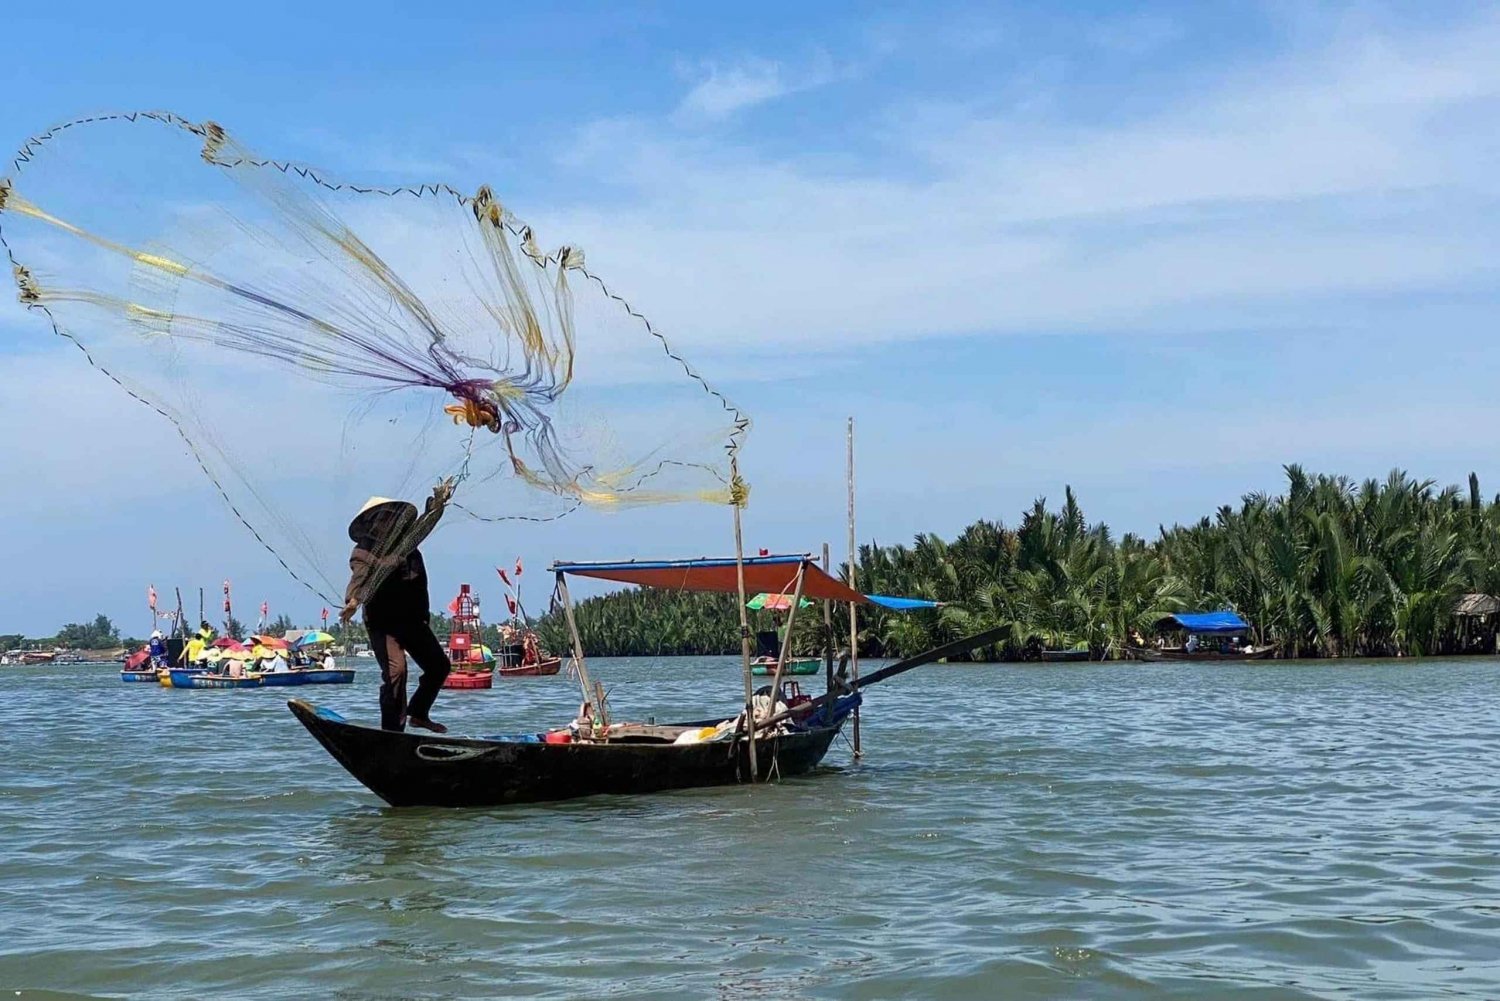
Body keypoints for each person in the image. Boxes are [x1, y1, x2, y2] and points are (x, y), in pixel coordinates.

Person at [342, 479, 453, 733]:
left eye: (390, 517)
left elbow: (427, 523)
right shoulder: (363, 552)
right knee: (397, 672)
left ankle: (419, 713)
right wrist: (353, 601)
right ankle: (392, 732)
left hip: (412, 620)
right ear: (370, 526)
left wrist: (438, 504)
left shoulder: (408, 541)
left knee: (439, 666)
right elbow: (360, 578)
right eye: (380, 519)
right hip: (383, 624)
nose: (386, 522)